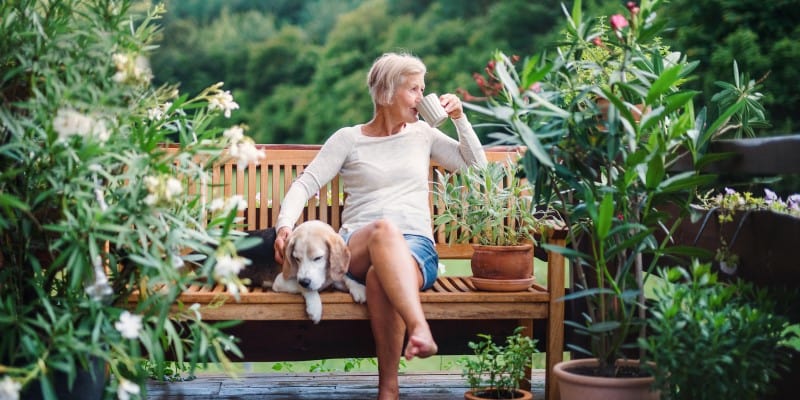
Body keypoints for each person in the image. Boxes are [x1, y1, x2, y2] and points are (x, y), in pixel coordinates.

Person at [273, 52, 487, 400]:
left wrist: (460, 118)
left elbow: (477, 169)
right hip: (356, 247)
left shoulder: (423, 135)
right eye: (414, 89)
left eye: (423, 89)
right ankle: (420, 328)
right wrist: (285, 227)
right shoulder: (348, 139)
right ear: (387, 93)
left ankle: (388, 391)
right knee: (384, 229)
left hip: (415, 247)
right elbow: (304, 184)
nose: (422, 97)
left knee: (378, 278)